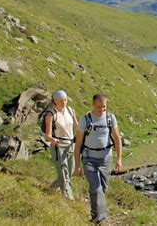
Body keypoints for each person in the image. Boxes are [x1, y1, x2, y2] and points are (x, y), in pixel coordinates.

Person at [74, 94, 122, 224]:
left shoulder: (110, 118)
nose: (101, 110)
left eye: (104, 107)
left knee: (103, 189)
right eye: (98, 107)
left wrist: (119, 160)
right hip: (89, 158)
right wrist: (77, 166)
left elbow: (117, 139)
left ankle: (96, 214)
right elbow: (78, 144)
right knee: (96, 188)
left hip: (106, 158)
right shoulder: (85, 119)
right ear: (93, 105)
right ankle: (100, 219)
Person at [44, 90, 78, 200]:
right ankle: (69, 199)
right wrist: (52, 139)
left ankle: (50, 190)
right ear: (55, 101)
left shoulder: (70, 111)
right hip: (58, 147)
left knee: (70, 171)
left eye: (65, 100)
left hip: (70, 145)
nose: (63, 102)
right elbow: (47, 135)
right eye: (61, 100)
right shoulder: (51, 114)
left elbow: (77, 127)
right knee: (64, 175)